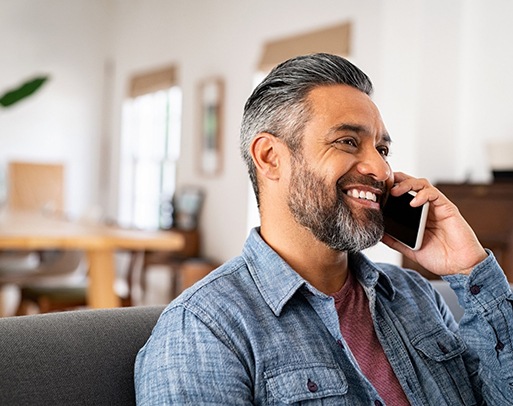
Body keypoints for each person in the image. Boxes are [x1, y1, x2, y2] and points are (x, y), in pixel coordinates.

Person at [135, 53, 513, 405]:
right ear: (270, 157)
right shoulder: (204, 330)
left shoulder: (416, 297)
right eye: (348, 142)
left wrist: (469, 266)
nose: (381, 171)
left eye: (382, 150)